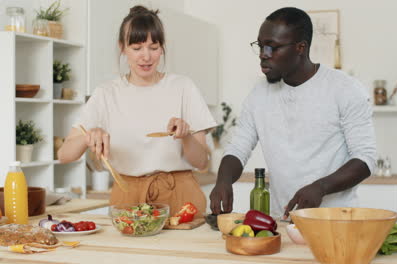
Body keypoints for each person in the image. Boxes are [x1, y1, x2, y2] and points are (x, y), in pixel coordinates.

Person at [209, 7, 376, 218]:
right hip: (282, 220)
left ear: (300, 47)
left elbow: (365, 159)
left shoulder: (344, 89)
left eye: (272, 47)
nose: (263, 55)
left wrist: (321, 187)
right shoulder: (259, 94)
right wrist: (223, 181)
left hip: (336, 220)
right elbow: (238, 148)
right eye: (260, 46)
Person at [58, 6, 216, 218]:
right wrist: (89, 136)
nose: (146, 57)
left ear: (162, 47)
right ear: (122, 48)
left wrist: (186, 135)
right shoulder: (106, 93)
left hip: (180, 197)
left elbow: (202, 162)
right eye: (137, 47)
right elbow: (64, 155)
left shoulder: (183, 87)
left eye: (153, 47)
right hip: (127, 197)